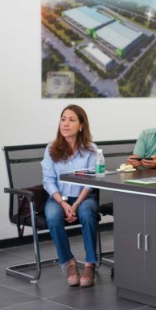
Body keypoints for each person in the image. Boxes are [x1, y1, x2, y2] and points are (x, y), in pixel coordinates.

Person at [41, 105, 100, 287]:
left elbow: (90, 181)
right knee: (52, 216)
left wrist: (75, 205)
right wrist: (63, 203)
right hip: (59, 198)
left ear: (81, 125)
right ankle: (68, 262)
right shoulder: (51, 149)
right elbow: (48, 181)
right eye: (63, 119)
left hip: (83, 197)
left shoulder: (91, 150)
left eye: (71, 120)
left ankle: (90, 263)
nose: (65, 124)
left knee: (87, 213)